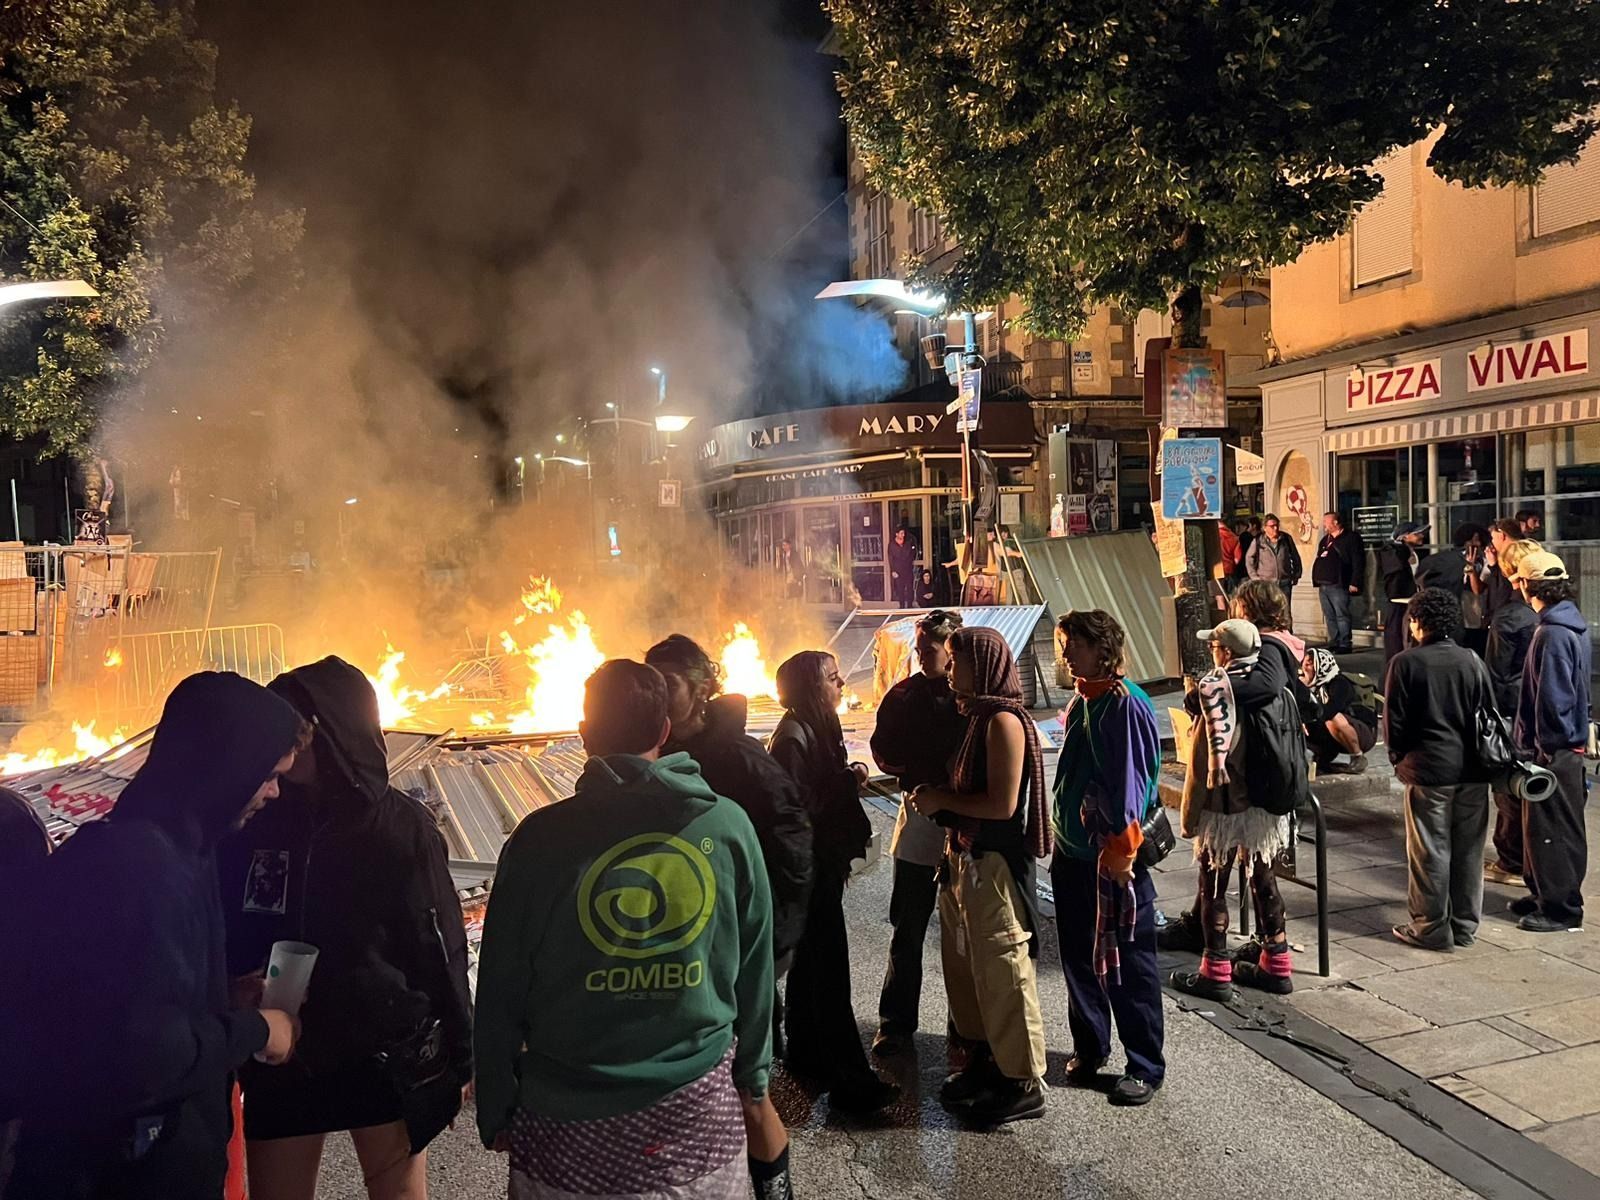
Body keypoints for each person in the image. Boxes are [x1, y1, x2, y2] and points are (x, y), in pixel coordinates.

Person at [475, 660, 784, 1200]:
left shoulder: (538, 840)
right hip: (694, 1114)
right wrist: (753, 1081)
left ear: (584, 734)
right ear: (666, 730)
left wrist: (496, 1100)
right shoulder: (726, 826)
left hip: (564, 1124)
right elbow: (755, 968)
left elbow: (500, 985)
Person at [0, 672, 305, 1200]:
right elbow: (144, 1059)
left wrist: (220, 1001)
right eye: (268, 775)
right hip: (113, 1176)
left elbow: (131, 1002)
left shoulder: (188, 849)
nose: (275, 792)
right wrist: (256, 1029)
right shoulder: (137, 873)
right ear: (226, 767)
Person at [218, 657, 473, 1200]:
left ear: (334, 734)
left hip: (381, 1045)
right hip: (285, 1044)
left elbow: (437, 944)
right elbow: (227, 920)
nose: (284, 755)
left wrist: (460, 1053)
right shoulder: (254, 815)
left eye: (299, 738)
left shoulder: (398, 827)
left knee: (399, 1192)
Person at [643, 635, 810, 1189]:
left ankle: (770, 1183)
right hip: (684, 946)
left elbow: (791, 845)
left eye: (668, 685)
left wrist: (775, 938)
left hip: (738, 947)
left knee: (748, 1087)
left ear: (701, 688)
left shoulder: (736, 759)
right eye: (652, 685)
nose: (659, 697)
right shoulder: (652, 756)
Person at [908, 627, 1050, 1125]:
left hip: (995, 864)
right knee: (973, 972)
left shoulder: (1003, 722)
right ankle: (990, 1062)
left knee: (1005, 972)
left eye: (959, 661)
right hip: (966, 859)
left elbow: (1002, 804)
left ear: (984, 665)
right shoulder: (978, 715)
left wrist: (944, 800)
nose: (951, 669)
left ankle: (1022, 1081)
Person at [768, 651, 899, 1113]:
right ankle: (852, 1083)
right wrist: (849, 779)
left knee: (810, 966)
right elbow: (798, 807)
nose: (841, 683)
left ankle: (805, 1053)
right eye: (831, 677)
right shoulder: (793, 737)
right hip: (809, 874)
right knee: (830, 971)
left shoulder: (817, 725)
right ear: (808, 687)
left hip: (819, 867)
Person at [1051, 611, 1165, 1106]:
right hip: (1072, 852)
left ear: (1102, 648)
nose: (1065, 652)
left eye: (1073, 643)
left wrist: (1121, 855)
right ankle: (1091, 1047)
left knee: (1129, 962)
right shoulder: (1084, 698)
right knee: (1079, 957)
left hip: (1113, 860)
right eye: (1064, 644)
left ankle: (1144, 1065)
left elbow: (1131, 787)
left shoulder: (1124, 705)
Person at [1170, 621, 1297, 1000]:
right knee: (1264, 879)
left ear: (1226, 652)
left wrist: (1190, 817)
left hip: (1225, 806)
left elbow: (1197, 765)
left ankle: (1216, 972)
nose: (1212, 652)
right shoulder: (1279, 692)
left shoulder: (1216, 694)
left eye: (1214, 646)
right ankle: (1277, 965)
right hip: (1267, 810)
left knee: (1213, 886)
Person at [868, 609, 967, 1057]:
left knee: (962, 932)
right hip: (918, 820)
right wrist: (915, 772)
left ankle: (965, 1026)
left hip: (964, 822)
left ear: (952, 648)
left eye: (930, 649)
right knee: (907, 926)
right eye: (919, 647)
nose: (921, 655)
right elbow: (882, 750)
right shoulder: (904, 695)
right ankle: (895, 1022)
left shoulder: (971, 697)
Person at [1383, 589, 1497, 951]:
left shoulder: (1406, 663)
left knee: (1430, 851)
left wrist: (1399, 760)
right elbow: (1488, 714)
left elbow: (1395, 725)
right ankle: (1464, 926)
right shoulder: (1472, 660)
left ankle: (1431, 926)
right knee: (1469, 851)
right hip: (1474, 770)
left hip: (1429, 770)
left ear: (1417, 622)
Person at [1510, 551, 1592, 933]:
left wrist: (1542, 750)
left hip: (1555, 751)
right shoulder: (1569, 625)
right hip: (1562, 748)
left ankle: (1561, 908)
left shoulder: (1552, 633)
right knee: (1544, 829)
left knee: (1553, 831)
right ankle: (1545, 893)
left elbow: (1554, 700)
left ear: (1528, 585)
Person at [1484, 540, 1541, 887]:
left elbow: (1498, 672)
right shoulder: (1545, 613)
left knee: (1508, 787)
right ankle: (1524, 857)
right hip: (1537, 708)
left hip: (1512, 709)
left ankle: (1512, 859)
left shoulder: (1511, 615)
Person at [1302, 648, 1378, 775]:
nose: (1306, 665)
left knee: (1332, 719)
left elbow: (1331, 710)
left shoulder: (1340, 683)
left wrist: (1307, 717)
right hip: (1339, 733)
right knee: (1300, 723)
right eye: (1306, 661)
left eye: (1311, 662)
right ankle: (1323, 759)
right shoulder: (1317, 686)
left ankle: (1357, 757)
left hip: (1363, 733)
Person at [1313, 511, 1364, 653]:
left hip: (1339, 583)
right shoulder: (1325, 540)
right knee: (1329, 615)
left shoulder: (1351, 538)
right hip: (1324, 584)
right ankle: (1334, 641)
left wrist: (1355, 582)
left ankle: (1345, 643)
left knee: (1342, 614)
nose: (1324, 525)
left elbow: (1358, 561)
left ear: (1335, 523)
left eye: (1326, 522)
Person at [1378, 522, 1428, 662]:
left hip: (1411, 601)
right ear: (1405, 536)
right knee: (1396, 642)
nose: (1421, 536)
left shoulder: (1412, 552)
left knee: (1411, 641)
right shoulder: (1393, 551)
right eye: (1417, 533)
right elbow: (1394, 569)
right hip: (1399, 603)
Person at [1469, 518, 1524, 626]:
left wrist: (1494, 567)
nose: (1492, 543)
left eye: (1493, 538)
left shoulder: (1516, 556)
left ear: (1502, 535)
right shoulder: (1496, 557)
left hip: (1508, 620)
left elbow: (1504, 590)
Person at [1245, 513, 1302, 607]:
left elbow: (1295, 557)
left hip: (1284, 582)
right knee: (1268, 611)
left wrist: (1296, 574)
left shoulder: (1286, 539)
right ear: (1265, 528)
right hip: (1266, 583)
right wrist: (1254, 577)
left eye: (1277, 525)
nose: (1275, 528)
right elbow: (1249, 558)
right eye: (1272, 526)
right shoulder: (1259, 541)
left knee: (1285, 611)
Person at [889, 526, 919, 609]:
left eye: (904, 533)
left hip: (908, 568)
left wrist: (910, 561)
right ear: (897, 534)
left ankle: (909, 605)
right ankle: (901, 605)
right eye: (901, 533)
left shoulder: (908, 543)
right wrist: (893, 570)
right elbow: (890, 558)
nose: (903, 535)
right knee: (900, 588)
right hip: (898, 570)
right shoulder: (892, 545)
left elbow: (913, 552)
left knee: (910, 587)